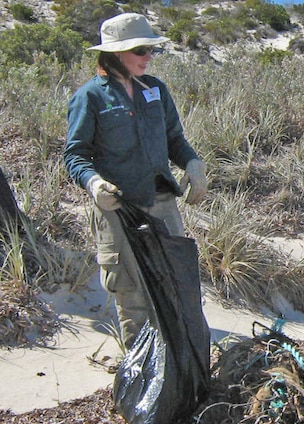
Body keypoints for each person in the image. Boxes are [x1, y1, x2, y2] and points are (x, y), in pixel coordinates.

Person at [64, 13, 208, 348]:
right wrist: (94, 184)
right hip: (119, 210)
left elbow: (175, 138)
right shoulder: (91, 97)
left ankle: (181, 366)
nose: (148, 57)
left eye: (151, 49)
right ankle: (141, 372)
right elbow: (75, 154)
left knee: (176, 286)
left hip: (162, 203)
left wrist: (193, 163)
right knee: (132, 294)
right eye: (141, 50)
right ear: (116, 53)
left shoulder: (156, 89)